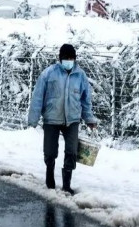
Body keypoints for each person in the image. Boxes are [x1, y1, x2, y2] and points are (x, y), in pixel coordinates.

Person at [28, 44, 97, 195]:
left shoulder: (80, 76)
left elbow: (86, 100)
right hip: (51, 119)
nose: (68, 61)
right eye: (66, 58)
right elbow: (38, 97)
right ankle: (50, 176)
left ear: (75, 59)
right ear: (60, 59)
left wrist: (89, 118)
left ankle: (67, 184)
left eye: (71, 58)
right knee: (50, 151)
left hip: (72, 119)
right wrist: (33, 119)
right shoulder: (49, 74)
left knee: (72, 151)